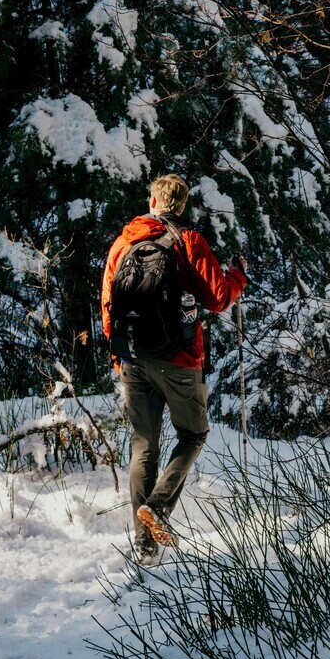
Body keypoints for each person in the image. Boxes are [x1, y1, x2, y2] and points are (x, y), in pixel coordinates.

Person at [101, 173, 247, 565]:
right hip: (179, 360)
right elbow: (218, 298)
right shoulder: (189, 241)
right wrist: (238, 275)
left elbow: (108, 304)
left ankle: (144, 546)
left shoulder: (123, 242)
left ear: (151, 200)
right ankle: (159, 507)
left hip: (132, 359)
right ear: (180, 205)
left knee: (143, 445)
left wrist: (120, 355)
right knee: (194, 433)